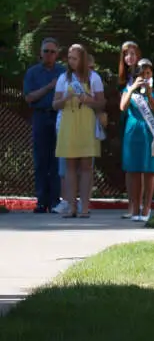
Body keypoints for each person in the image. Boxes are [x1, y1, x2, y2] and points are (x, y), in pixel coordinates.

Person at [53, 43, 106, 218]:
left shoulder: (94, 78)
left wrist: (88, 99)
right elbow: (55, 104)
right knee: (69, 166)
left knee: (86, 166)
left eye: (74, 58)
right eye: (69, 58)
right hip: (69, 122)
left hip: (86, 122)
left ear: (82, 59)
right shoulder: (64, 78)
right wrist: (66, 98)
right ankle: (71, 206)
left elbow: (101, 103)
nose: (71, 61)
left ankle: (84, 207)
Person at [120, 58, 154, 223]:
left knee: (149, 171)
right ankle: (135, 207)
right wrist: (132, 89)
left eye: (148, 73)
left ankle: (147, 207)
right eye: (141, 73)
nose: (145, 76)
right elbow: (123, 107)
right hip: (133, 133)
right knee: (133, 171)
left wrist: (149, 96)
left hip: (150, 133)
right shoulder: (128, 89)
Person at [23, 38, 65, 213]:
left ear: (57, 54)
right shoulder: (33, 73)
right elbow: (29, 97)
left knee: (57, 160)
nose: (49, 55)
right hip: (40, 116)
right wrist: (49, 87)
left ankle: (55, 201)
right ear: (40, 53)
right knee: (41, 160)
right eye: (46, 51)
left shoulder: (63, 72)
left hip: (59, 117)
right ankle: (41, 201)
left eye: (52, 52)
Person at [118, 41, 143, 217]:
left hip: (144, 124)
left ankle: (140, 206)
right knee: (130, 167)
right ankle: (131, 206)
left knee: (141, 167)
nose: (129, 57)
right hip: (129, 124)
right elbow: (123, 105)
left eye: (133, 53)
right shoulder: (123, 79)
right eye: (126, 54)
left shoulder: (145, 74)